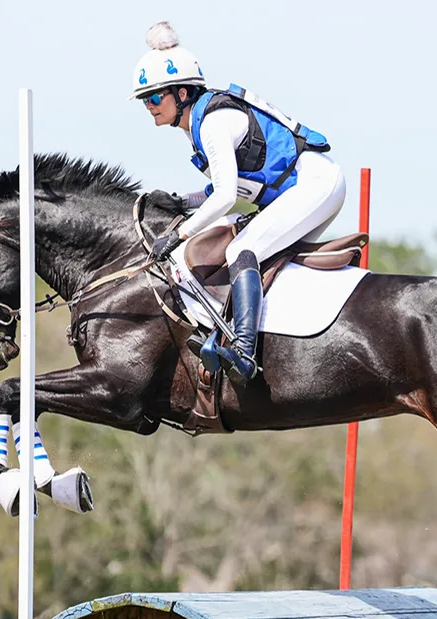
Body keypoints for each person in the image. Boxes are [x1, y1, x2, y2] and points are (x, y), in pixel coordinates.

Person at [129, 21, 347, 386]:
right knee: (244, 241)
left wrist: (180, 234)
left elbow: (226, 196)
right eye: (144, 100)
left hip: (315, 185)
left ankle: (244, 351)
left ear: (181, 92)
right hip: (303, 188)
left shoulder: (212, 123)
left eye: (153, 98)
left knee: (242, 247)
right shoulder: (198, 124)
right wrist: (182, 200)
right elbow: (221, 191)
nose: (148, 107)